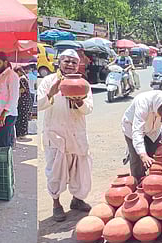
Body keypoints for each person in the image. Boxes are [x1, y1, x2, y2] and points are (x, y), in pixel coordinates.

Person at [38, 49, 94, 222]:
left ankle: (77, 200)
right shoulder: (48, 81)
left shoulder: (83, 83)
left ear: (78, 65)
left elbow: (89, 108)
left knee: (81, 170)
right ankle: (56, 204)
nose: (70, 65)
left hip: (77, 135)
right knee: (56, 173)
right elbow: (38, 105)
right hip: (56, 136)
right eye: (66, 61)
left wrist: (79, 102)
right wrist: (51, 93)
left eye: (73, 62)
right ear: (59, 63)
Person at [122, 91, 162, 180]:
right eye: (160, 115)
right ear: (156, 107)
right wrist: (143, 155)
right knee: (137, 159)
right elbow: (137, 131)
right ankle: (138, 182)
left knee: (156, 156)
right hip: (132, 128)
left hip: (153, 130)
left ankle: (152, 179)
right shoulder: (143, 103)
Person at [0, 52, 20, 147]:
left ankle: (4, 162)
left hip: (6, 116)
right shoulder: (3, 76)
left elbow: (14, 97)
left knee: (4, 145)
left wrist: (3, 114)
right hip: (1, 115)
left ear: (5, 62)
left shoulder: (12, 76)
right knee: (1, 143)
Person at [13, 67, 33, 141]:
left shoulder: (21, 79)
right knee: (23, 116)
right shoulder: (23, 78)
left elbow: (22, 89)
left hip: (23, 100)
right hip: (25, 100)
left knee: (22, 117)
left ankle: (21, 133)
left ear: (18, 72)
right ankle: (22, 133)